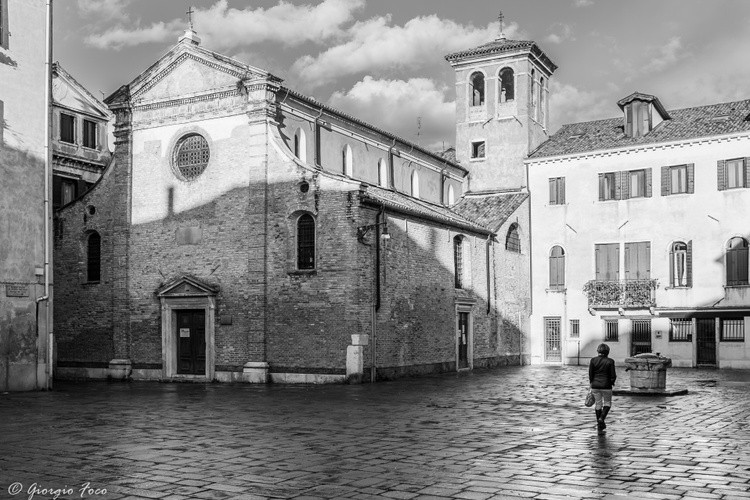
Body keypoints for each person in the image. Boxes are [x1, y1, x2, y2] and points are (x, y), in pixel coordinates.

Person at [589, 343, 616, 431]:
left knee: (598, 404)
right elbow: (613, 375)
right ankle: (601, 419)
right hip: (606, 385)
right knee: (607, 403)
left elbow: (591, 374)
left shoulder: (593, 360)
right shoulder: (610, 361)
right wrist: (612, 382)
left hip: (595, 385)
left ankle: (599, 423)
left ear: (598, 351)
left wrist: (591, 383)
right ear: (607, 352)